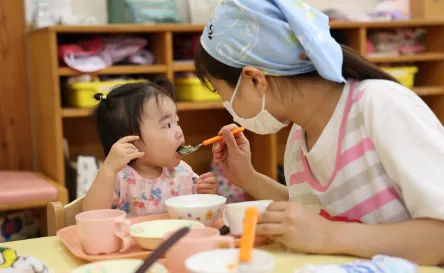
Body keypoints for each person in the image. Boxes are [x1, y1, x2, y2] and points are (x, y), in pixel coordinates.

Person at [194, 0, 444, 266]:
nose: (226, 103)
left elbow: (438, 239)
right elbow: (314, 215)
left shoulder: (381, 105)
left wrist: (329, 236)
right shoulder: (299, 136)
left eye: (220, 91)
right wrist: (250, 179)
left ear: (255, 79)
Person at [82, 79, 218, 217]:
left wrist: (205, 194)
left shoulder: (183, 172)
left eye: (177, 122)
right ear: (130, 139)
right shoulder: (117, 177)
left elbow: (197, 213)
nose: (179, 131)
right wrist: (108, 169)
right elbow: (91, 216)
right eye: (167, 125)